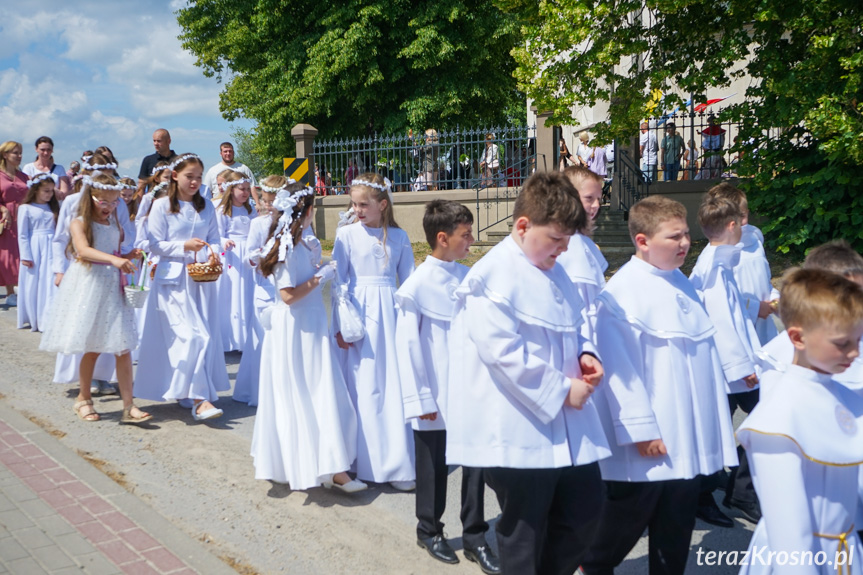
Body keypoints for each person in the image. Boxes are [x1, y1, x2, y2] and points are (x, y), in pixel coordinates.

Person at [446, 172, 611, 575]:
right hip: (519, 427)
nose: (564, 248)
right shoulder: (491, 277)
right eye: (556, 239)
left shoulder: (554, 268)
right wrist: (560, 389)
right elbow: (503, 353)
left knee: (586, 512)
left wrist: (586, 353)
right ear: (523, 226)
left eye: (568, 240)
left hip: (568, 425)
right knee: (524, 534)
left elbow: (576, 321)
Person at [581, 195, 737, 575]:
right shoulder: (620, 295)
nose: (684, 243)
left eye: (686, 235)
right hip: (650, 437)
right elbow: (620, 372)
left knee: (677, 524)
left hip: (687, 435)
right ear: (643, 241)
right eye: (674, 237)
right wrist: (640, 430)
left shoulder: (683, 284)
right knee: (625, 521)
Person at [395, 200, 500, 574]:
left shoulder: (467, 277)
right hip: (434, 391)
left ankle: (474, 535)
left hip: (467, 389)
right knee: (433, 465)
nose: (471, 240)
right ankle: (429, 528)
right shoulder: (416, 288)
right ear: (443, 238)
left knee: (473, 465)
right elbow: (408, 347)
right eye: (465, 234)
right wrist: (420, 396)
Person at [737, 269, 863, 575]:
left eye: (858, 340)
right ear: (797, 337)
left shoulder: (844, 394)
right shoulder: (778, 420)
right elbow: (790, 534)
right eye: (842, 343)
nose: (855, 352)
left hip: (846, 551)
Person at [250, 183, 365, 492]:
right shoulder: (285, 246)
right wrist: (320, 277)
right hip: (296, 327)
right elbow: (287, 295)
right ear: (307, 211)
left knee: (320, 390)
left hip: (312, 322)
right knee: (307, 391)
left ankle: (330, 464)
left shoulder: (304, 242)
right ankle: (327, 468)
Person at [38, 173, 150, 425]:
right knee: (93, 346)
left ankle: (128, 405)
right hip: (91, 284)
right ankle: (83, 397)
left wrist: (129, 254)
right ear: (91, 198)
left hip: (113, 285)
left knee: (123, 347)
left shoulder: (114, 223)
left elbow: (113, 250)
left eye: (114, 203)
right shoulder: (78, 221)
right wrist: (114, 259)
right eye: (104, 202)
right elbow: (84, 250)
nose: (109, 208)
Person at [332, 173, 416, 489]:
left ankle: (394, 465)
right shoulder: (347, 235)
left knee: (390, 385)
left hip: (389, 315)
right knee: (362, 386)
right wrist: (341, 324)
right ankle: (357, 460)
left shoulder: (399, 236)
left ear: (382, 204)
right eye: (353, 204)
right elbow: (339, 281)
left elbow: (408, 282)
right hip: (357, 314)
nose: (358, 210)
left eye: (363, 204)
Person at [135, 153, 230, 421]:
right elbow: (154, 244)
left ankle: (190, 391)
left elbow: (215, 239)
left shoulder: (207, 207)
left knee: (204, 336)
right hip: (172, 283)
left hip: (200, 281)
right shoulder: (161, 206)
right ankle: (200, 400)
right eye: (190, 176)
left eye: (199, 177)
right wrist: (183, 247)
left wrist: (210, 253)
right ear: (175, 176)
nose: (195, 182)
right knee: (192, 337)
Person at [689, 195, 764, 528]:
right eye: (741, 221)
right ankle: (712, 494)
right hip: (726, 367)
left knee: (718, 430)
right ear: (733, 225)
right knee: (755, 419)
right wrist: (743, 367)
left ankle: (729, 488)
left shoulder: (718, 259)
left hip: (728, 367)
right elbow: (722, 322)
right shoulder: (714, 267)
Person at [50, 153, 130, 393]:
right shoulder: (74, 203)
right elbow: (63, 240)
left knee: (111, 333)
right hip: (86, 274)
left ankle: (104, 378)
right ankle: (81, 384)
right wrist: (59, 269)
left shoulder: (116, 204)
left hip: (111, 275)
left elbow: (122, 232)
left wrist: (127, 254)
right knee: (82, 329)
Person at [234, 176, 285, 405]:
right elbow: (248, 259)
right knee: (262, 341)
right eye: (266, 200)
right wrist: (263, 254)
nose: (269, 205)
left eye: (273, 200)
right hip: (265, 287)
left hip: (286, 288)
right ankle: (259, 391)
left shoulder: (292, 224)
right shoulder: (258, 224)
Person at [706, 183, 778, 345]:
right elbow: (717, 301)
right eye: (733, 218)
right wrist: (754, 308)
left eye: (743, 216)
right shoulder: (716, 255)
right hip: (738, 335)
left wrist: (775, 300)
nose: (739, 223)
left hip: (765, 329)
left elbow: (764, 282)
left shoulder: (755, 242)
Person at [558, 166, 608, 343]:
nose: (596, 205)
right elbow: (585, 309)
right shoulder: (571, 245)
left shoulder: (581, 240)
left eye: (598, 199)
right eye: (589, 198)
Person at [215, 170, 258, 352]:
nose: (246, 192)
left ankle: (247, 338)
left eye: (248, 189)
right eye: (242, 189)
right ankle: (229, 338)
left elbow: (256, 229)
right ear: (231, 189)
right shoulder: (223, 210)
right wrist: (225, 241)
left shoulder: (251, 209)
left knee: (248, 294)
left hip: (248, 254)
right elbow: (216, 235)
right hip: (232, 256)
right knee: (232, 295)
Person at [16, 173, 59, 332]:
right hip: (35, 247)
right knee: (34, 283)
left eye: (51, 191)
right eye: (46, 191)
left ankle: (48, 317)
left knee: (49, 281)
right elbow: (22, 234)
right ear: (35, 191)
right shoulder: (25, 208)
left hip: (51, 247)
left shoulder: (53, 207)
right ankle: (34, 316)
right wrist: (25, 255)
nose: (49, 194)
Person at [0, 141, 28, 307]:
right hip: (7, 219)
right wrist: (3, 209)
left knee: (21, 252)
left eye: (20, 153)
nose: (19, 156)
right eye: (15, 153)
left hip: (24, 217)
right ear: (5, 155)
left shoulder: (23, 176)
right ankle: (10, 291)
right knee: (8, 255)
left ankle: (21, 288)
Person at [22, 136, 71, 201]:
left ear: (52, 150)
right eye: (43, 150)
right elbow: (29, 189)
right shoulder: (28, 168)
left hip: (55, 208)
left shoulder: (59, 169)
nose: (46, 153)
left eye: (48, 150)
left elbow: (64, 193)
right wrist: (54, 190)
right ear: (36, 149)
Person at [136, 129, 175, 197]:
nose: (156, 144)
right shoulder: (148, 160)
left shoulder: (178, 160)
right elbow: (141, 186)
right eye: (154, 141)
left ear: (168, 141)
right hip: (152, 200)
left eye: (159, 141)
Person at [698, 115, 726, 179]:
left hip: (710, 154)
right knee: (716, 172)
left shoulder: (709, 134)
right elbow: (722, 144)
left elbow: (705, 147)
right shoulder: (721, 133)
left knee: (708, 172)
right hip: (718, 154)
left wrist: (704, 159)